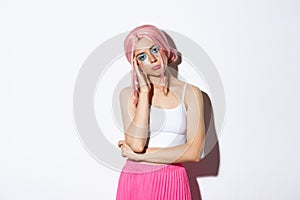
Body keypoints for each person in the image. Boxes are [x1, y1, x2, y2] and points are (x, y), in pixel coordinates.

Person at [116, 24, 205, 200]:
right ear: (136, 64)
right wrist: (144, 92)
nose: (153, 59)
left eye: (155, 49)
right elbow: (137, 145)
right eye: (143, 56)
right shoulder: (128, 95)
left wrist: (139, 157)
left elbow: (194, 153)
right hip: (135, 179)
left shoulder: (191, 94)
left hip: (172, 178)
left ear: (164, 50)